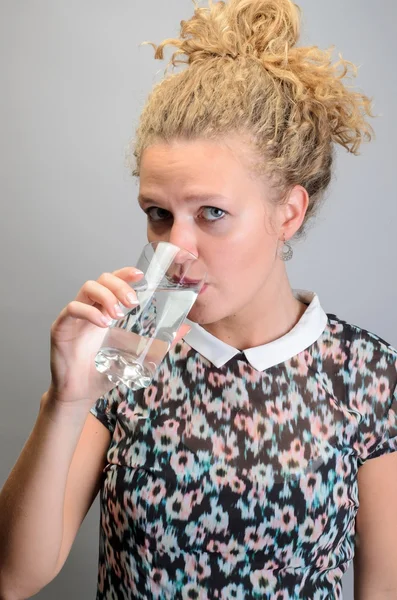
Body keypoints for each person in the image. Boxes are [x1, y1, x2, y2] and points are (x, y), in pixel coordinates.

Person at [1, 0, 396, 598]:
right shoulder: (125, 357)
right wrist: (66, 400)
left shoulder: (367, 374)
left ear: (287, 212)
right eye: (159, 215)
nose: (175, 247)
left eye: (211, 213)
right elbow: (13, 577)